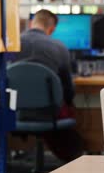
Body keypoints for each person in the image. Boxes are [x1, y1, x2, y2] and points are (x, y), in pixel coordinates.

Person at [13, 9, 83, 162]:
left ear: (32, 23)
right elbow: (68, 91)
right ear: (52, 29)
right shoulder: (59, 47)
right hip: (49, 114)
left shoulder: (11, 45)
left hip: (15, 114)